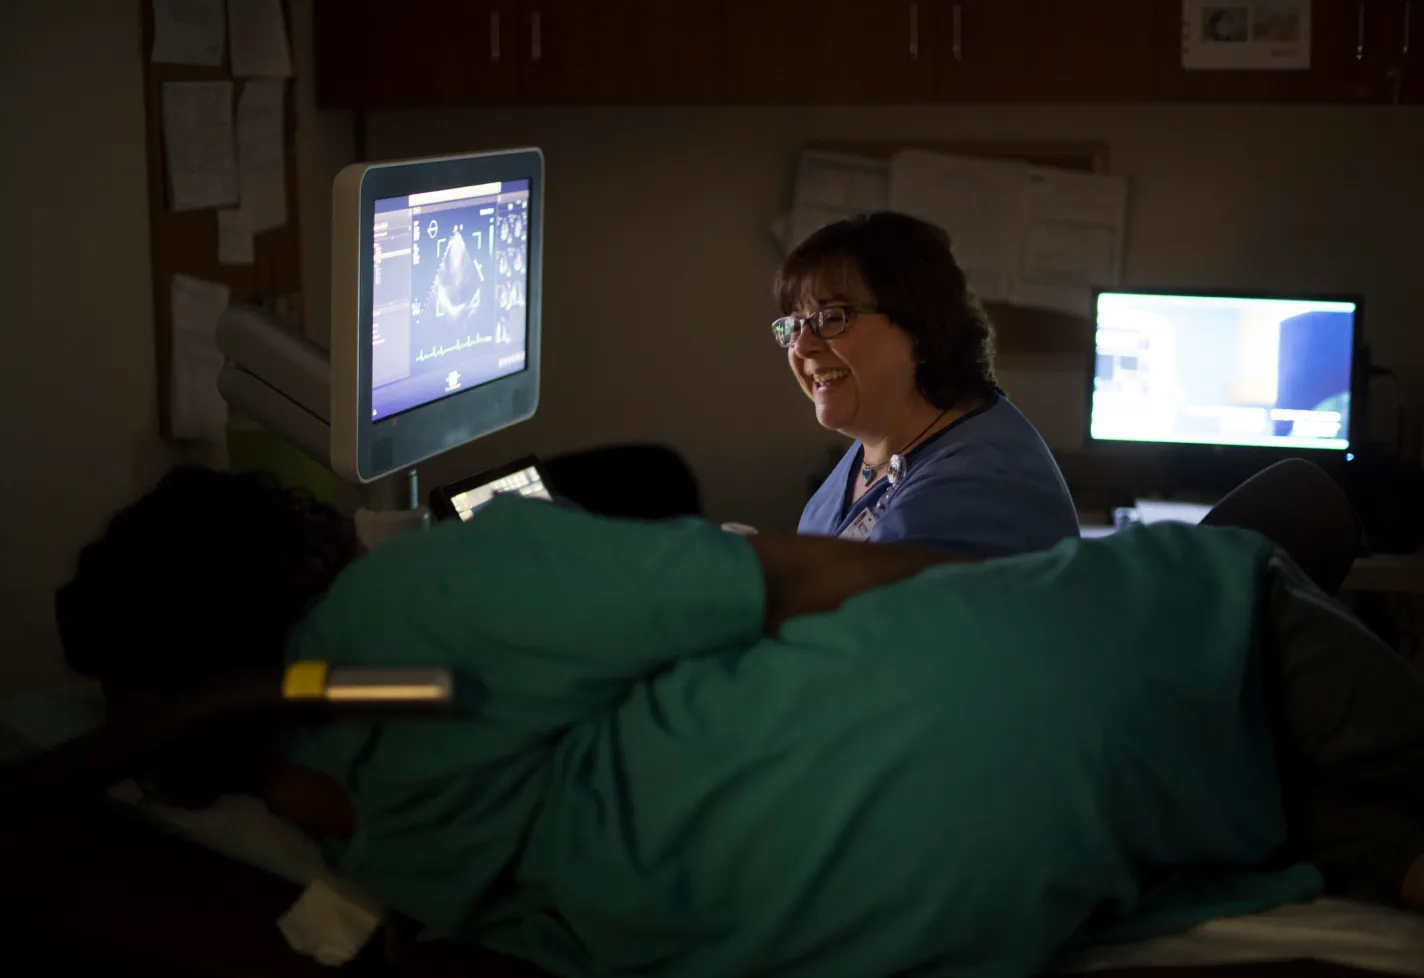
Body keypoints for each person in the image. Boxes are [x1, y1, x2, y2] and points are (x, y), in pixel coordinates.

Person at [52, 467, 1424, 978]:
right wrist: (1050, 587)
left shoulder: (359, 828)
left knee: (1358, 820)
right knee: (1304, 505)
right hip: (1142, 665)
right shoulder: (420, 595)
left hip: (1100, 842)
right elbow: (805, 573)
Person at [776, 212, 1079, 556]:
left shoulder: (980, 484)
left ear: (919, 329)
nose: (802, 346)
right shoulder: (876, 444)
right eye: (794, 325)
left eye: (832, 318)